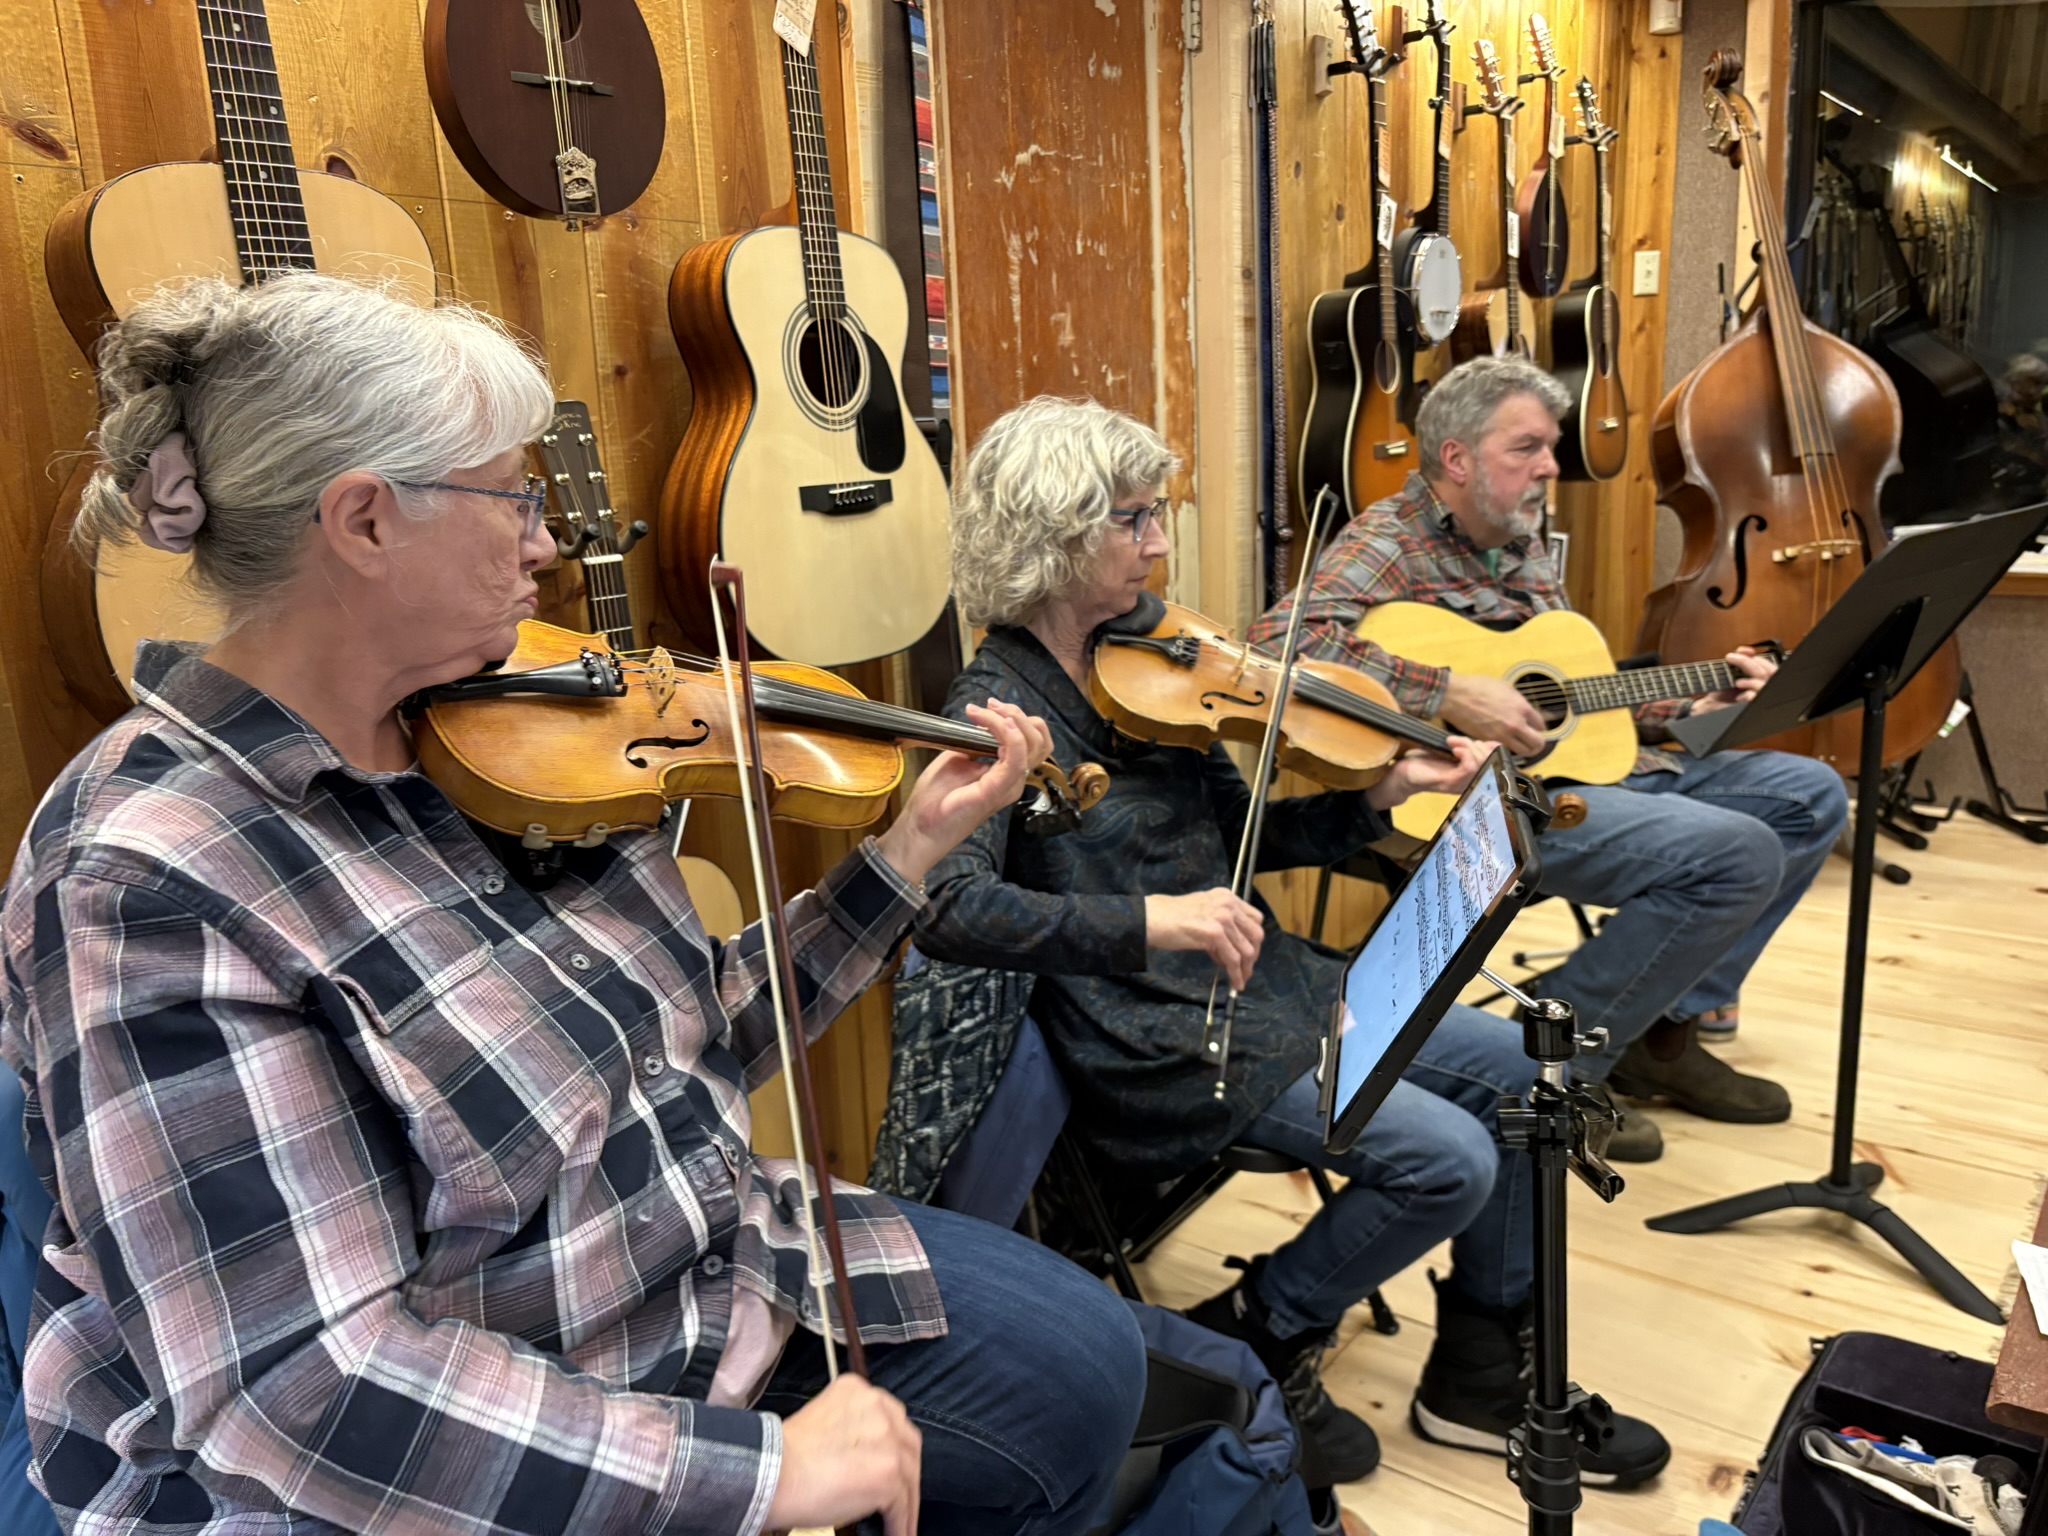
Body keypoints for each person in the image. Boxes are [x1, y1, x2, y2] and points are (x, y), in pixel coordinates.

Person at [0, 274, 1146, 1536]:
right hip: (437, 1436)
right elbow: (306, 1390)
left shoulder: (510, 730)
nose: (545, 545)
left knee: (1087, 1367)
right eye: (513, 499)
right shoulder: (148, 876)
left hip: (688, 1269)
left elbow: (688, 1035)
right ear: (365, 521)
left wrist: (904, 856)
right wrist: (761, 1476)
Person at [913, 396, 1669, 1493]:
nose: (1159, 545)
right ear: (1053, 534)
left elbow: (1248, 837)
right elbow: (947, 910)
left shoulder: (1154, 662)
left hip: (1256, 981)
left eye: (1156, 515)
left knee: (1524, 1073)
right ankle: (1264, 1322)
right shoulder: (994, 711)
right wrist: (1150, 921)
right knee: (1448, 1160)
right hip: (1150, 1034)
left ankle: (1475, 1364)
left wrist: (1379, 795)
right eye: (1133, 520)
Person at [1250, 357, 1850, 1162]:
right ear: (1458, 458)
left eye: (1551, 447)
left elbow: (1571, 695)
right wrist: (1448, 690)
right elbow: (1277, 649)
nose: (1551, 467)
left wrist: (1689, 708)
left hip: (1578, 779)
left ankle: (1659, 1033)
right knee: (1735, 853)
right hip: (1470, 804)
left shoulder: (1521, 542)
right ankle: (1553, 1065)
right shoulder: (1389, 542)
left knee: (1811, 795)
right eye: (1527, 448)